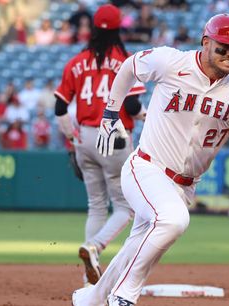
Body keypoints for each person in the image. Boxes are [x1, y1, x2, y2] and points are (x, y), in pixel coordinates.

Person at [72, 13, 229, 306]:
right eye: (223, 47)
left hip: (184, 185)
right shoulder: (172, 62)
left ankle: (90, 299)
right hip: (147, 168)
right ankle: (124, 296)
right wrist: (111, 113)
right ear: (205, 43)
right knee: (174, 220)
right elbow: (129, 67)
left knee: (138, 243)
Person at [54, 4, 146, 286]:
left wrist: (72, 140)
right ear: (118, 29)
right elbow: (131, 105)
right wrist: (144, 114)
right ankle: (95, 247)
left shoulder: (76, 61)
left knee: (95, 206)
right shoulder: (124, 60)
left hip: (84, 138)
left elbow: (59, 108)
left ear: (92, 28)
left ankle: (88, 281)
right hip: (114, 136)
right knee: (125, 208)